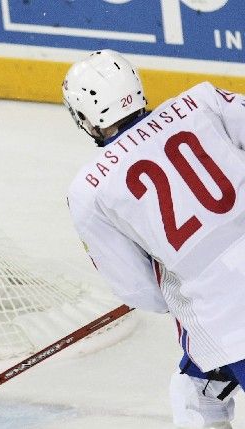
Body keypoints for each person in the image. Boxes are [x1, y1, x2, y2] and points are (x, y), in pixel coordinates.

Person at [62, 49, 245, 429]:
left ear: (85, 119)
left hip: (229, 318)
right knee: (195, 388)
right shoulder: (202, 100)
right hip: (228, 319)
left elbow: (139, 290)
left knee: (194, 392)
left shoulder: (89, 189)